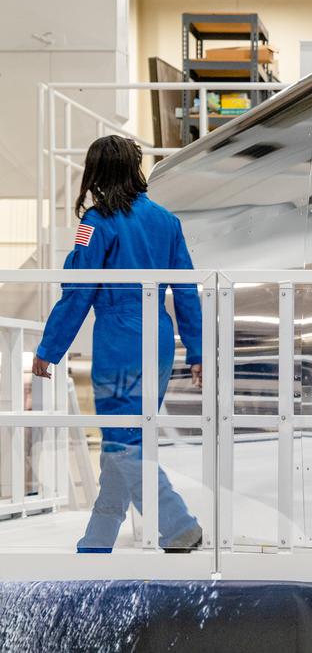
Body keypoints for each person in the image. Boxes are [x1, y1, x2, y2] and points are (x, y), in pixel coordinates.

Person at [32, 135, 204, 553]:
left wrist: (49, 348)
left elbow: (78, 290)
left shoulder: (96, 222)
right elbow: (186, 291)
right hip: (160, 339)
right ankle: (98, 538)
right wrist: (197, 352)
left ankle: (178, 525)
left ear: (97, 172)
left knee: (122, 439)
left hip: (119, 336)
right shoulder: (167, 221)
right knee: (128, 437)